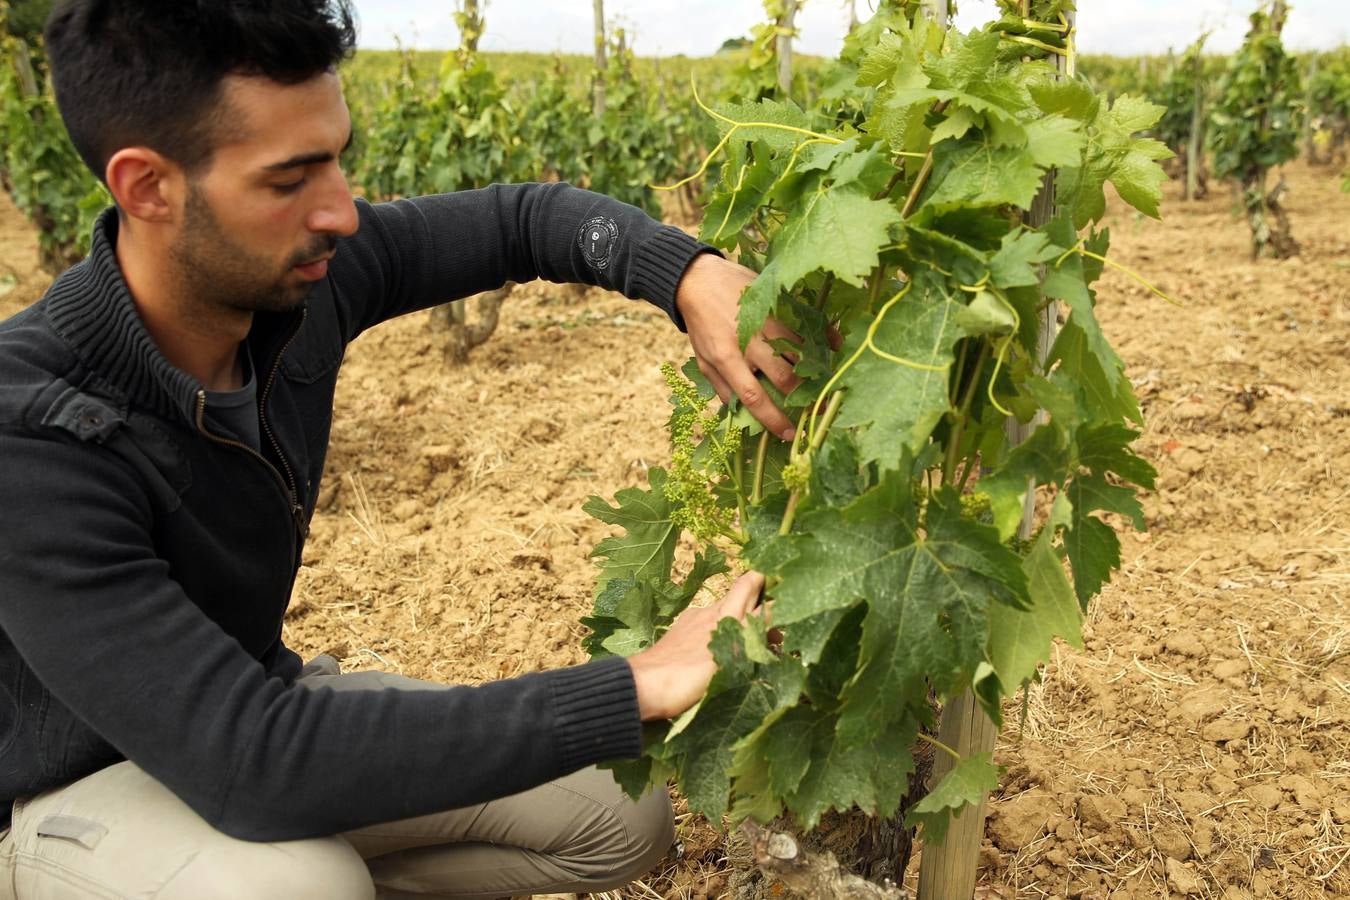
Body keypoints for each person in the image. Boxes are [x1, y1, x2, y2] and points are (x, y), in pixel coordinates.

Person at [0, 1, 806, 897]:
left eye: (337, 157)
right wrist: (632, 686)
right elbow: (252, 760)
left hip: (251, 714)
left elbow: (521, 218)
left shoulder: (294, 288)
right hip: (68, 794)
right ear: (147, 187)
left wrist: (684, 272)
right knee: (295, 885)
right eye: (289, 179)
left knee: (616, 814)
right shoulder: (30, 436)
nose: (341, 211)